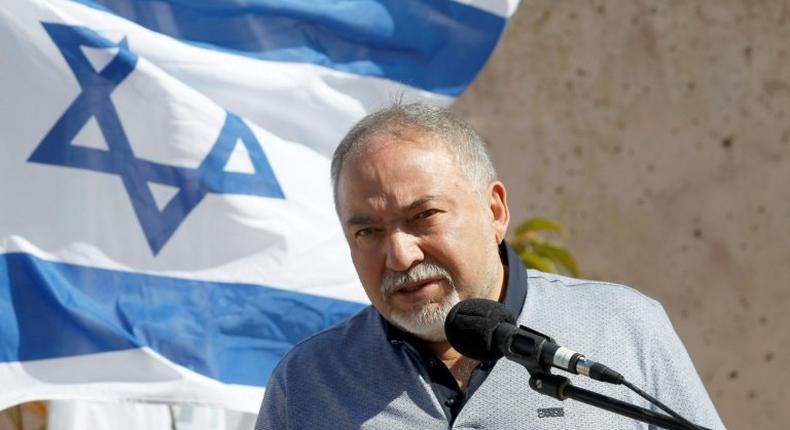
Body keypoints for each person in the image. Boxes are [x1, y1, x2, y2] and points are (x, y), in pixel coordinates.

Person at [255, 102, 725, 429]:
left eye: (423, 217)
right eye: (368, 232)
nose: (400, 255)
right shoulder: (307, 382)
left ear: (495, 211)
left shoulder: (621, 328)